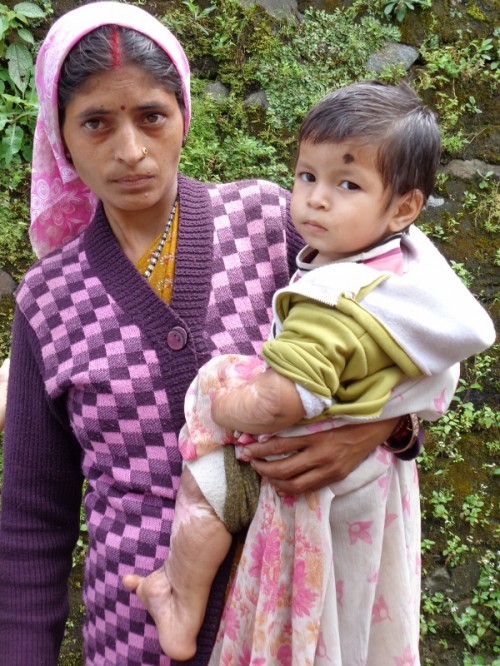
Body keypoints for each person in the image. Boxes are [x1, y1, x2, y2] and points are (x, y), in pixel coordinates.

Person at [0, 5, 418, 665]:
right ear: (61, 138)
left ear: (183, 115)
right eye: (96, 123)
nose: (130, 150)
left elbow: (407, 330)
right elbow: (32, 518)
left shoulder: (271, 225)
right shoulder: (49, 302)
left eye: (152, 116)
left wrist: (380, 428)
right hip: (137, 636)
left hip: (297, 617)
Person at [122, 82, 495, 664]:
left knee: (206, 491)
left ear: (404, 208)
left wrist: (221, 407)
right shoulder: (396, 270)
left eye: (347, 184)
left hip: (298, 476)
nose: (317, 200)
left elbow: (284, 402)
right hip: (127, 629)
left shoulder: (307, 262)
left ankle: (178, 597)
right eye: (307, 176)